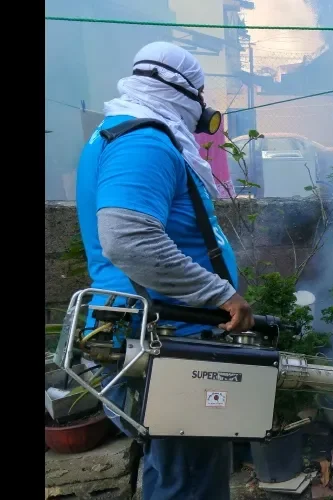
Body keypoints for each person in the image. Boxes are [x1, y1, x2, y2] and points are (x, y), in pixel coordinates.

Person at [75, 41, 254, 500]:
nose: (202, 108)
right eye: (200, 94)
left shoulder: (117, 133)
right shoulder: (143, 142)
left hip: (165, 329)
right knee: (187, 476)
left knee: (176, 468)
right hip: (169, 333)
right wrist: (221, 293)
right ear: (183, 92)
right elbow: (127, 239)